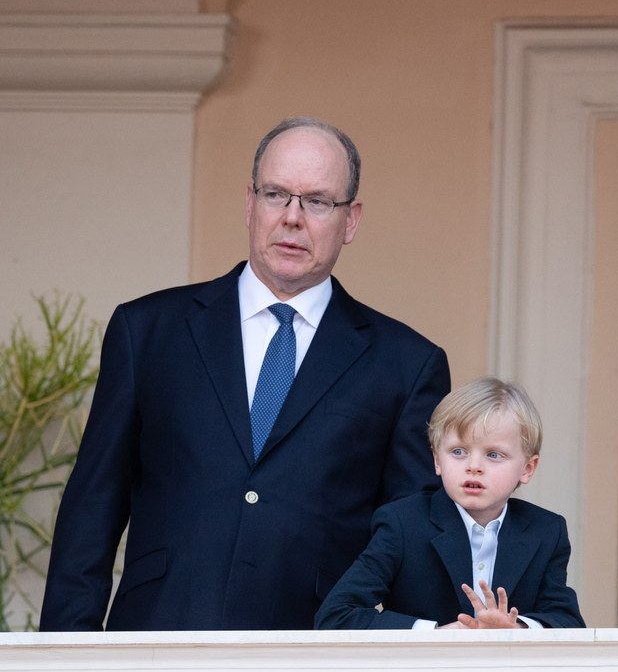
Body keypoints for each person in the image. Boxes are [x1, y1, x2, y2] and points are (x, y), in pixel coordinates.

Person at [40, 117, 451, 631]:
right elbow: (91, 511)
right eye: (276, 194)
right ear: (250, 203)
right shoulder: (147, 332)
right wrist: (64, 654)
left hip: (316, 653)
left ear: (351, 220)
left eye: (318, 201)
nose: (292, 218)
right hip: (157, 641)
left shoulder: (406, 364)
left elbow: (409, 542)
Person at [315, 377, 584, 629]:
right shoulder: (402, 524)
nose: (474, 466)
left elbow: (566, 620)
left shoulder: (546, 530)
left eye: (493, 454)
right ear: (436, 460)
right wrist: (436, 634)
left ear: (528, 467)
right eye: (458, 452)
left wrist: (518, 628)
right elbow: (337, 614)